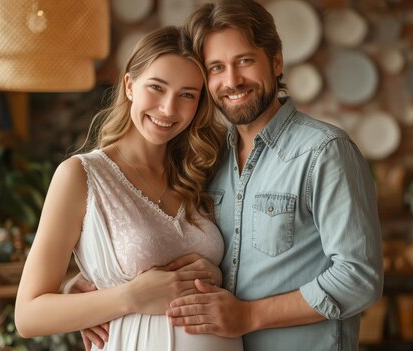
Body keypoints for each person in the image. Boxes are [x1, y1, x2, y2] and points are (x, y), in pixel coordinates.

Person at [73, 0, 383, 350]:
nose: (232, 80)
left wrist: (250, 316)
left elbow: (360, 278)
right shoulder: (207, 159)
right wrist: (90, 288)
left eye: (244, 61)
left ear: (276, 61)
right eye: (216, 67)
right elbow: (172, 242)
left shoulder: (324, 151)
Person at [14, 25, 243, 351]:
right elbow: (28, 316)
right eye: (156, 87)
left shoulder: (201, 171)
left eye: (187, 95)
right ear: (129, 85)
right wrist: (129, 296)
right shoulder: (81, 175)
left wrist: (212, 276)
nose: (168, 108)